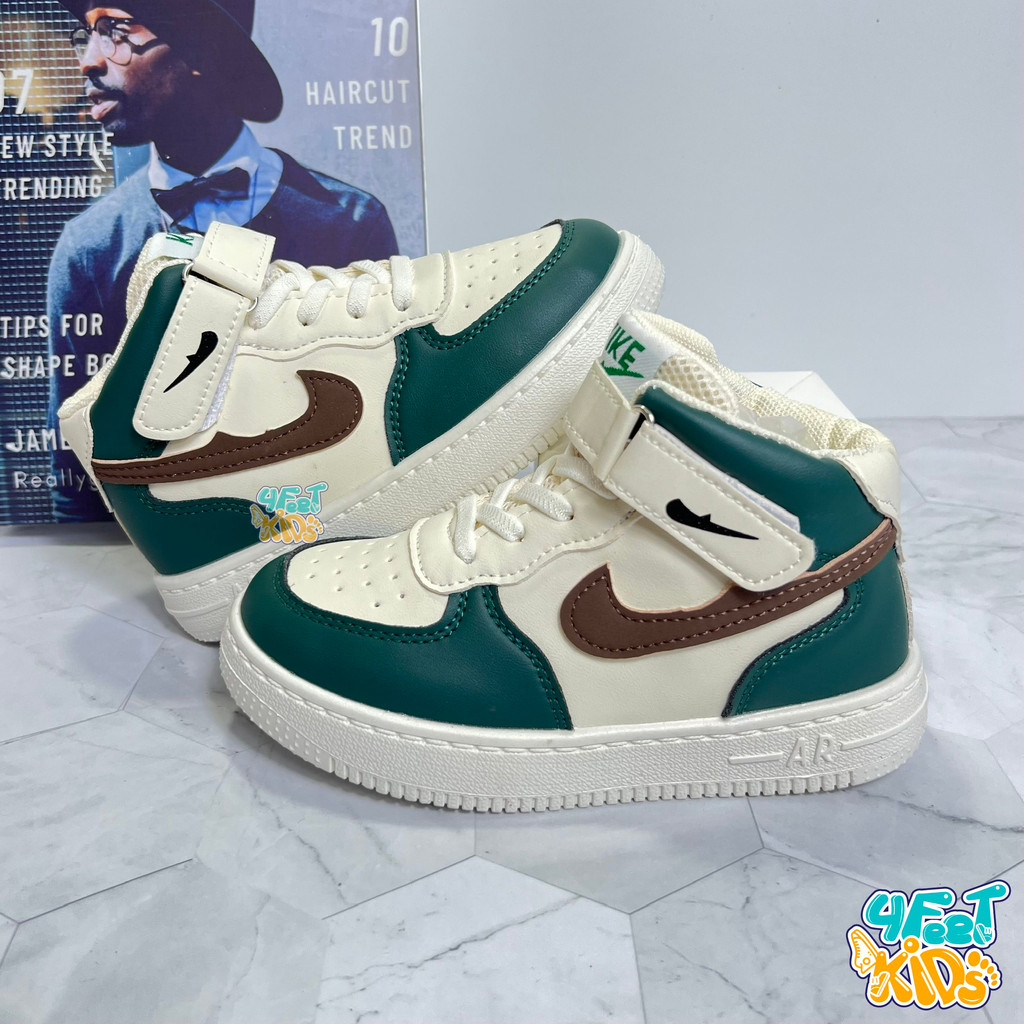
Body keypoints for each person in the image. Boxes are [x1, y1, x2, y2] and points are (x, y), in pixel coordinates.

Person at [48, 0, 398, 518]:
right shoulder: (90, 248)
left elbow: (383, 425)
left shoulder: (350, 223)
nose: (89, 61)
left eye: (115, 32)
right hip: (161, 539)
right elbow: (76, 478)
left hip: (321, 525)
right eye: (87, 35)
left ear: (200, 52)